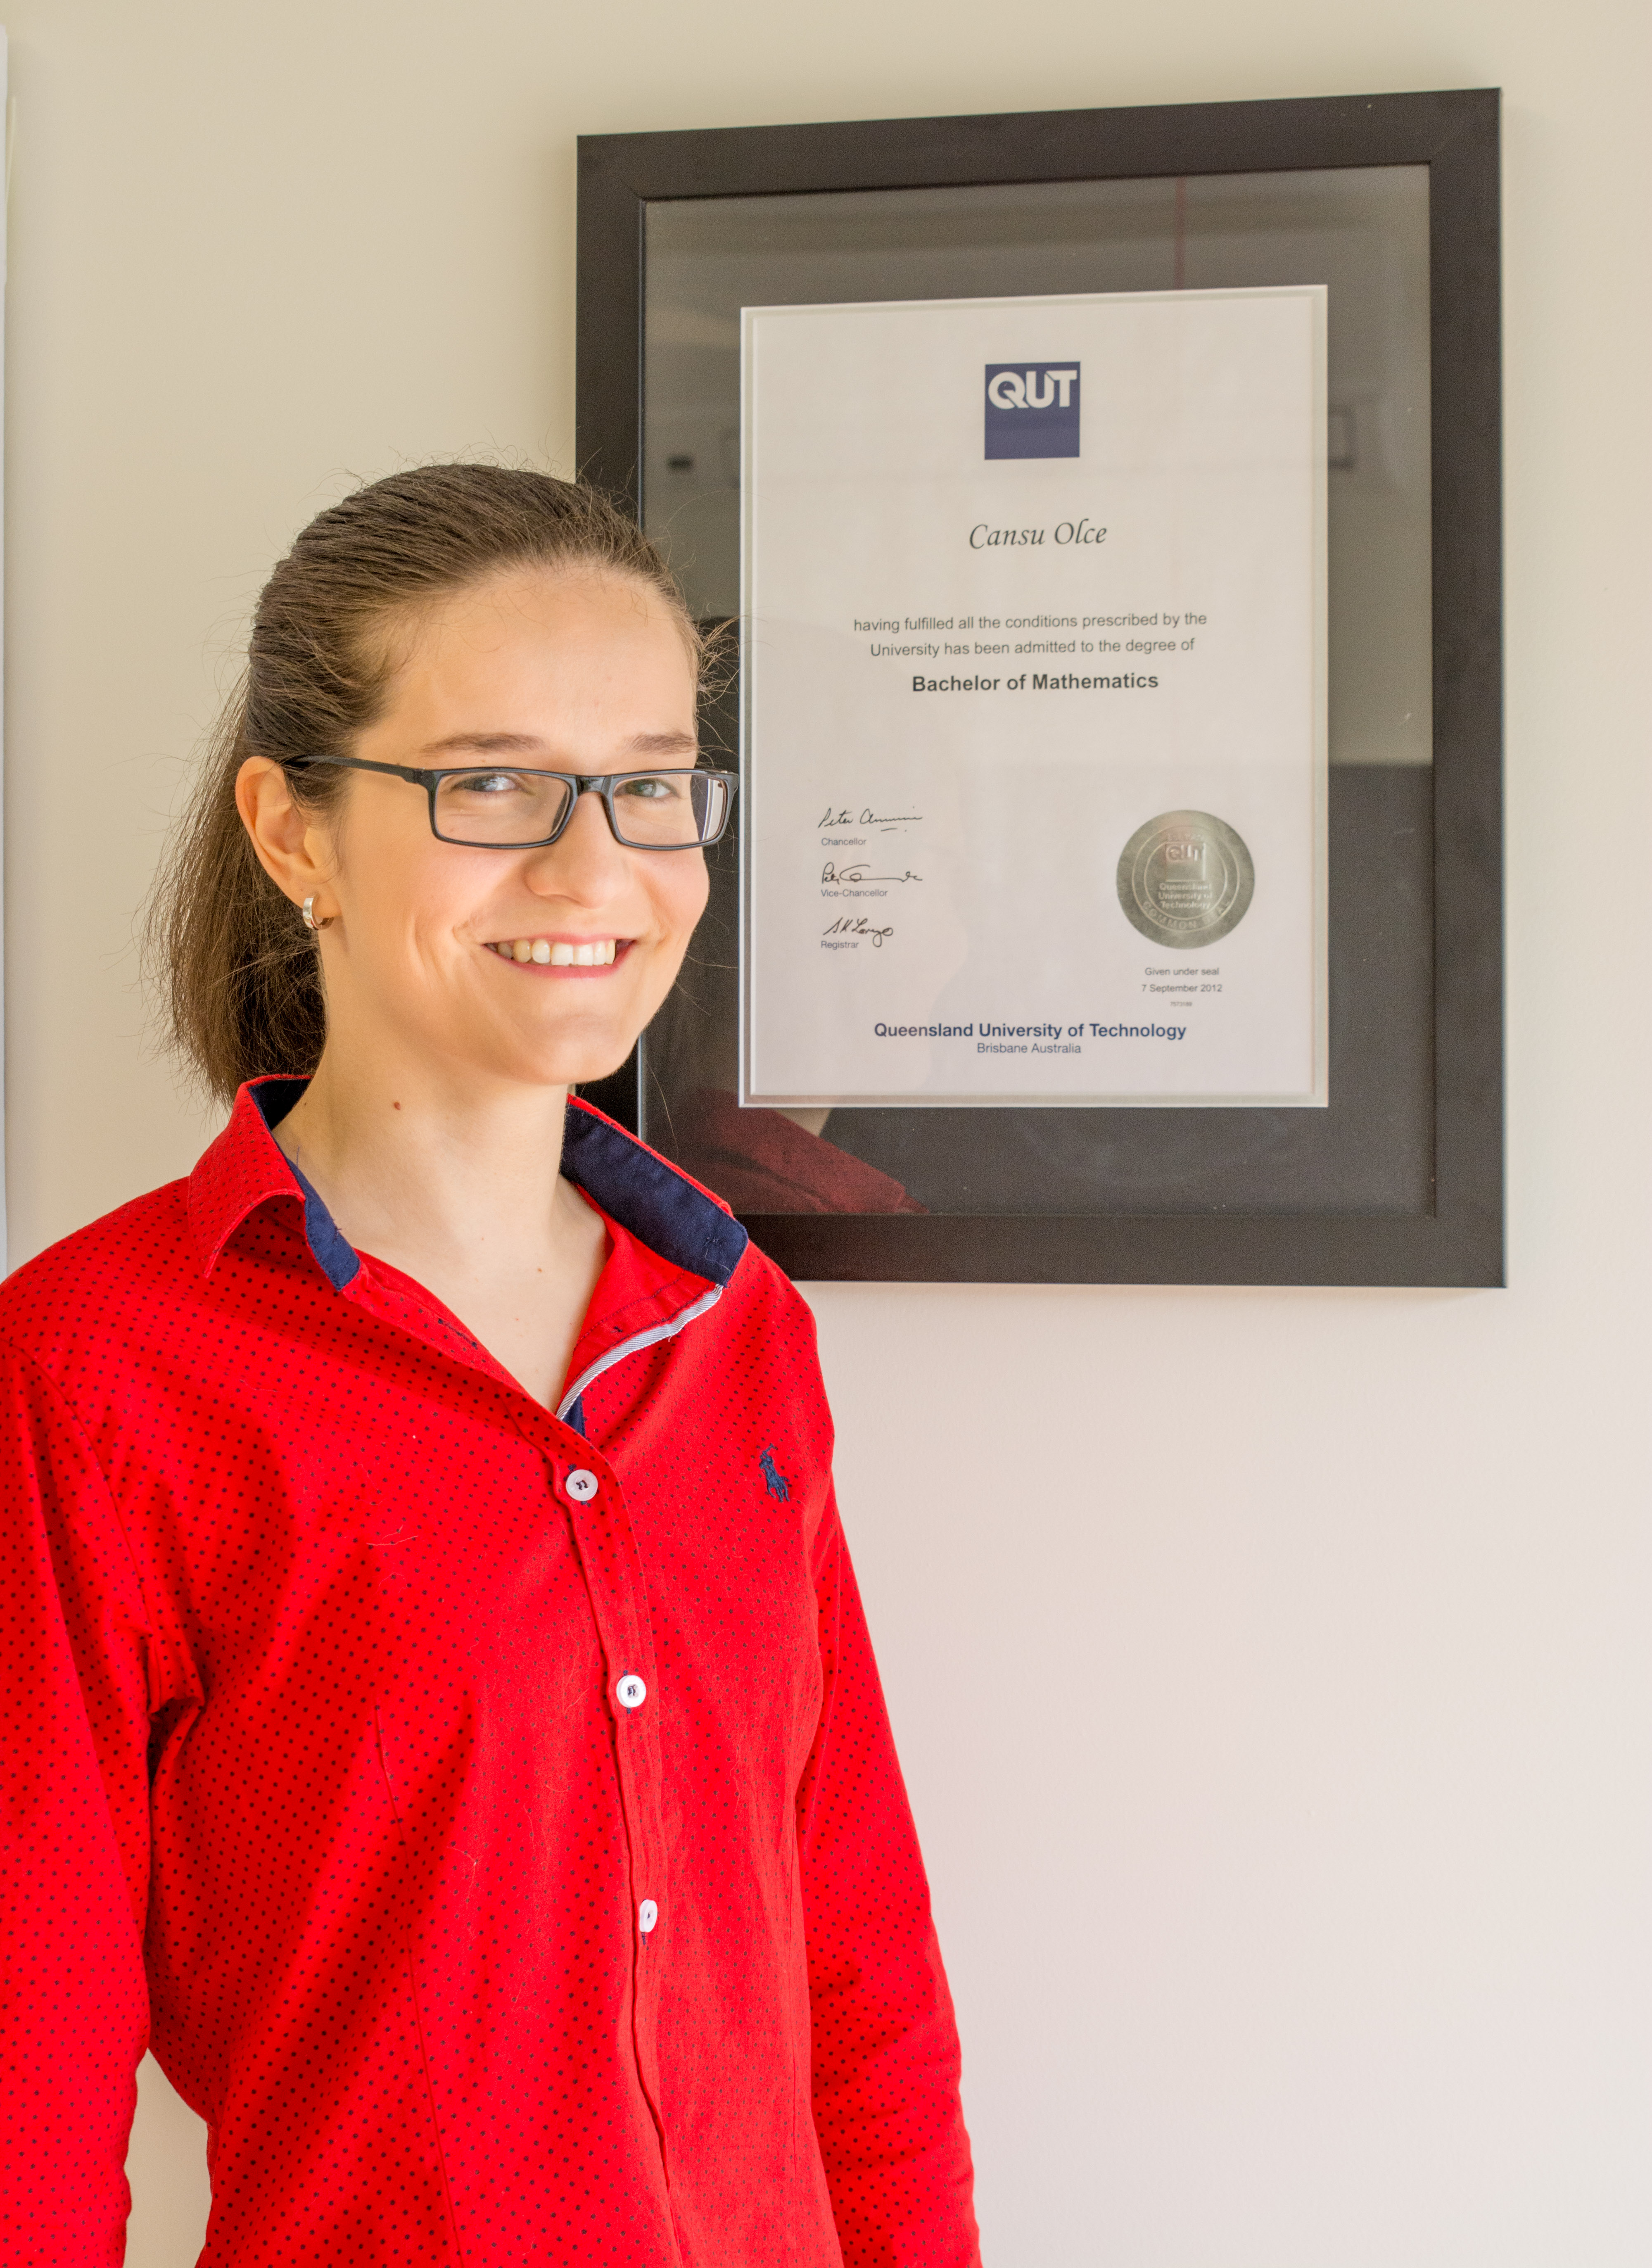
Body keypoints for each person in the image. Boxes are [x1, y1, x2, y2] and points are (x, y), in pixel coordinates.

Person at [0, 466, 979, 2266]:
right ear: (293, 833)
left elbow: (859, 1970)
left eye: (650, 784)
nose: (596, 868)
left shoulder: (740, 1325)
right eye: (495, 783)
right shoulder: (95, 1367)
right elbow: (25, 2081)